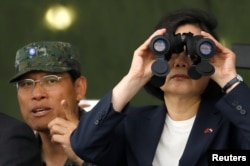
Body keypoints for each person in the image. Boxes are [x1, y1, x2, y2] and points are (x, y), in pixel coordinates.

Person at [50, 8, 250, 166]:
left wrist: (228, 79)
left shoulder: (232, 126)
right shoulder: (134, 124)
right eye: (171, 53)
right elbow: (83, 145)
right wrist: (135, 77)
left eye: (193, 53)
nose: (180, 63)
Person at [9, 41, 95, 166]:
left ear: (78, 88)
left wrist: (84, 158)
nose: (37, 94)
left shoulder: (112, 140)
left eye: (51, 80)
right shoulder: (15, 155)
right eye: (26, 84)